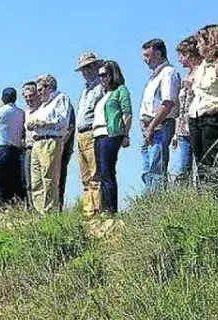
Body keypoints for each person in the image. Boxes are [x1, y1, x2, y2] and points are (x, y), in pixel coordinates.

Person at [27, 74, 74, 213]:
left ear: (49, 87)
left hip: (50, 140)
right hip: (37, 141)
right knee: (36, 180)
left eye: (40, 89)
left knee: (49, 178)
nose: (38, 93)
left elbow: (62, 121)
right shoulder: (42, 106)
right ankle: (40, 211)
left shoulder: (61, 99)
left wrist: (43, 123)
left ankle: (50, 211)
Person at [139, 39, 182, 190]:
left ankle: (155, 201)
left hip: (160, 126)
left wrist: (152, 126)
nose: (145, 59)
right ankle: (149, 203)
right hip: (150, 127)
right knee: (147, 169)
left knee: (156, 168)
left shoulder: (168, 73)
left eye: (147, 55)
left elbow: (168, 103)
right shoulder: (154, 76)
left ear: (158, 53)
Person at [93, 60, 133, 215]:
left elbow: (127, 113)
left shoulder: (121, 90)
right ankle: (104, 209)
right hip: (97, 135)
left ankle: (110, 210)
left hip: (110, 134)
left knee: (107, 171)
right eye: (99, 76)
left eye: (104, 75)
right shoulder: (104, 94)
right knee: (102, 173)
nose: (101, 78)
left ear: (112, 74)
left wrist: (125, 134)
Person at [191, 25, 218, 175]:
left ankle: (215, 193)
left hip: (212, 114)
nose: (197, 46)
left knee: (212, 160)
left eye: (200, 42)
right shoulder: (202, 65)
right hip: (195, 115)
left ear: (211, 43)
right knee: (200, 162)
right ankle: (203, 194)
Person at [75, 52, 106, 216]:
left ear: (96, 67)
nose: (85, 72)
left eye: (88, 67)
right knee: (85, 175)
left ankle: (98, 209)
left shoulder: (100, 88)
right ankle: (89, 210)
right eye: (83, 69)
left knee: (95, 174)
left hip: (93, 132)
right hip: (81, 134)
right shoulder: (86, 90)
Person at [0, 87, 27, 209]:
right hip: (16, 150)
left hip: (1, 148)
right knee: (12, 179)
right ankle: (13, 206)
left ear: (3, 98)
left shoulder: (0, 111)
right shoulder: (21, 112)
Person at [171, 37, 201, 184]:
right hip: (183, 129)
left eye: (181, 55)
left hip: (196, 123)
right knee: (181, 169)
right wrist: (176, 133)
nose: (179, 59)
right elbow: (180, 107)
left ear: (190, 54)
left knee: (200, 166)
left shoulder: (201, 72)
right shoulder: (185, 77)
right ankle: (182, 199)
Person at [22, 81, 42, 207]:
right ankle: (31, 208)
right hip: (28, 148)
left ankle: (42, 208)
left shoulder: (42, 109)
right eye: (26, 96)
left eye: (31, 95)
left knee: (41, 180)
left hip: (40, 145)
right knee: (29, 181)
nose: (29, 99)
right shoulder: (25, 113)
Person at [58, 104, 78, 210]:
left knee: (59, 179)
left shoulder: (65, 105)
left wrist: (60, 144)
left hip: (62, 148)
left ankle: (58, 208)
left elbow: (70, 128)